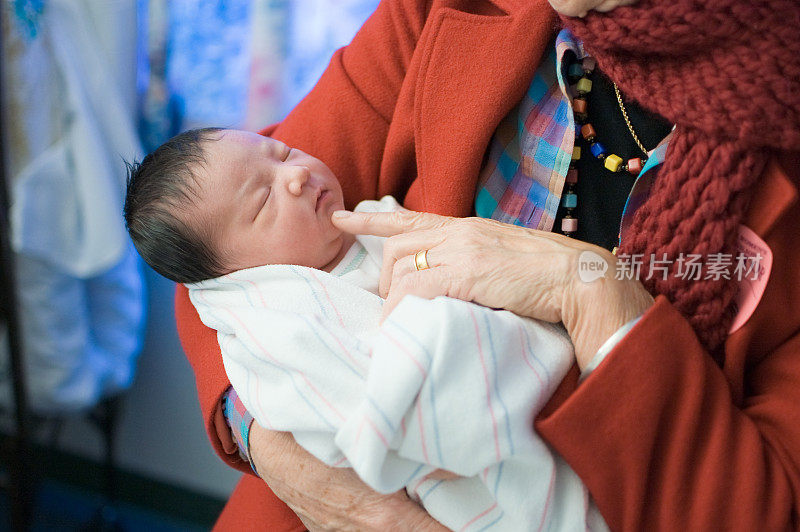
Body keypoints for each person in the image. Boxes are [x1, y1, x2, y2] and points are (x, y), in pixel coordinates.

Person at [174, 0, 800, 530]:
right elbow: (216, 242)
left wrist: (589, 292)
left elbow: (758, 508)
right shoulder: (444, 10)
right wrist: (281, 453)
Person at [124, 126, 605, 529]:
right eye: (263, 201)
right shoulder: (279, 325)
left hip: (566, 390)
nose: (295, 175)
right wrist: (420, 312)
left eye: (284, 152)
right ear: (233, 274)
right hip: (463, 473)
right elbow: (370, 416)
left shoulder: (374, 221)